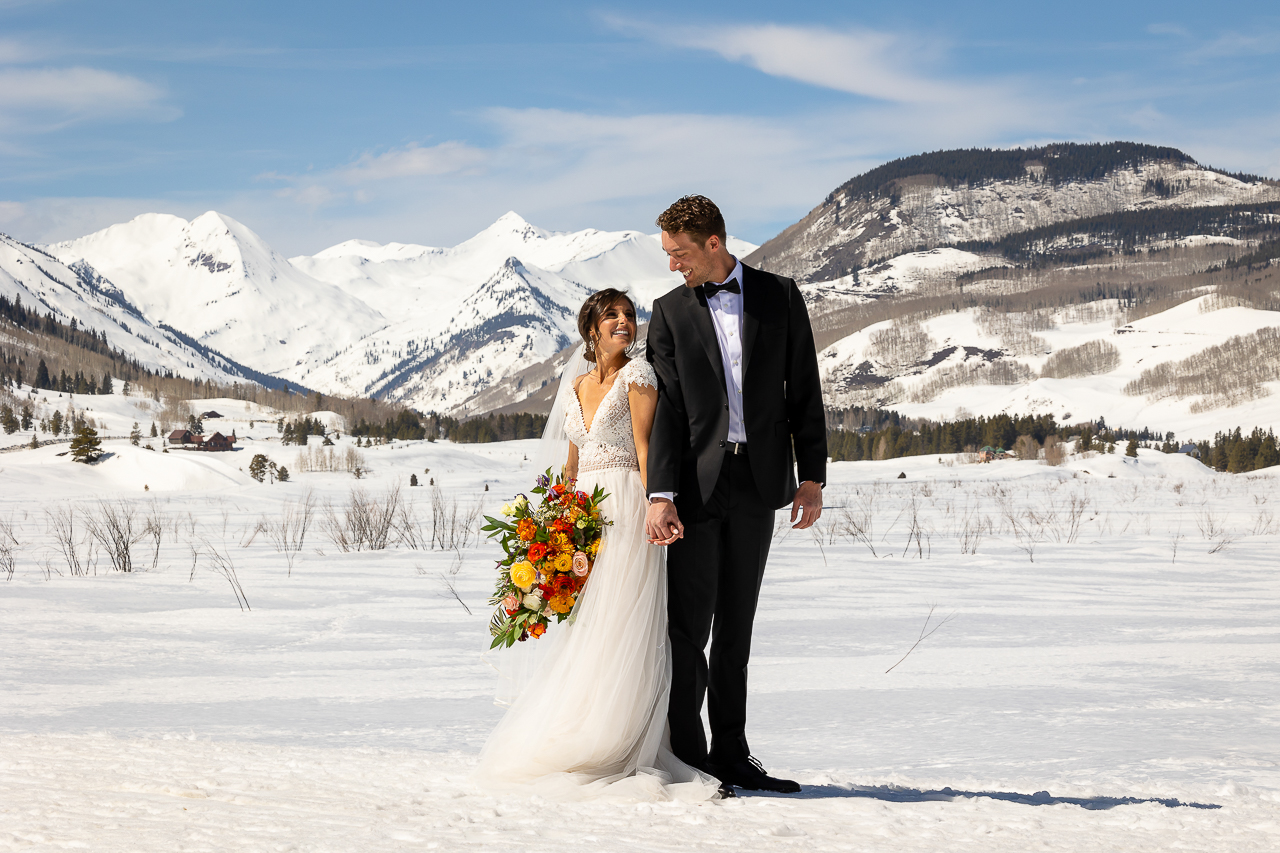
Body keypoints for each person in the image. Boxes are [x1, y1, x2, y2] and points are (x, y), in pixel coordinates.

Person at [475, 288, 722, 802]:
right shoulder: (576, 385)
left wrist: (660, 502)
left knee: (623, 618)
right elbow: (570, 464)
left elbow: (649, 446)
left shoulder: (639, 376)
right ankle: (582, 722)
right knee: (587, 622)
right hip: (585, 513)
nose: (625, 323)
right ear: (591, 328)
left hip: (628, 505)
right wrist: (555, 524)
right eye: (612, 316)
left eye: (629, 315)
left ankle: (622, 737)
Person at [645, 195, 827, 794]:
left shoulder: (781, 296)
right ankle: (689, 756)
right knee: (687, 628)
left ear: (713, 244)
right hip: (695, 488)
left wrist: (811, 476)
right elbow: (668, 411)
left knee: (738, 625)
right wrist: (660, 492)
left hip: (759, 482)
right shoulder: (668, 313)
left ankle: (733, 753)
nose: (674, 265)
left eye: (679, 254)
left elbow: (804, 389)